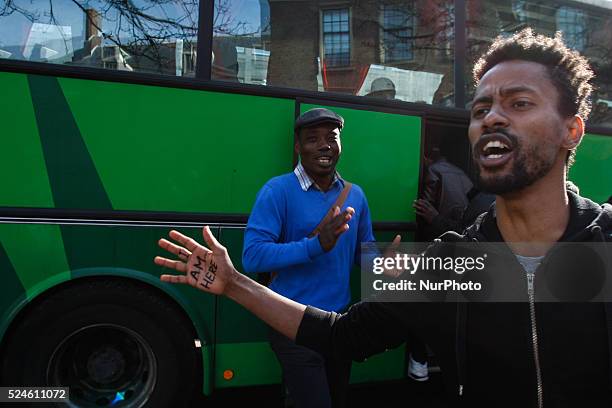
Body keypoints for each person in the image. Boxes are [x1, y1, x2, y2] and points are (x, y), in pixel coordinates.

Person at [155, 29, 612, 407]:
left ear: (571, 129)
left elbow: (366, 260)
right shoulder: (453, 265)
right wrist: (235, 283)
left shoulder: (603, 244)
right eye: (480, 109)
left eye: (519, 103)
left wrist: (381, 268)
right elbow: (342, 336)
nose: (491, 118)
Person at [239, 107, 380, 408]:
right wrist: (315, 245)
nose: (324, 145)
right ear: (298, 147)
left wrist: (383, 263)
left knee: (335, 397)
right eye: (313, 139)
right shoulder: (277, 191)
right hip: (290, 319)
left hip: (338, 322)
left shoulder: (356, 195)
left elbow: (361, 252)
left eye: (332, 137)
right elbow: (252, 257)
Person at [413, 147, 475, 240]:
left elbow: (425, 206)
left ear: (425, 158)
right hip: (462, 227)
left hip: (442, 229)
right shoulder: (460, 172)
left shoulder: (433, 170)